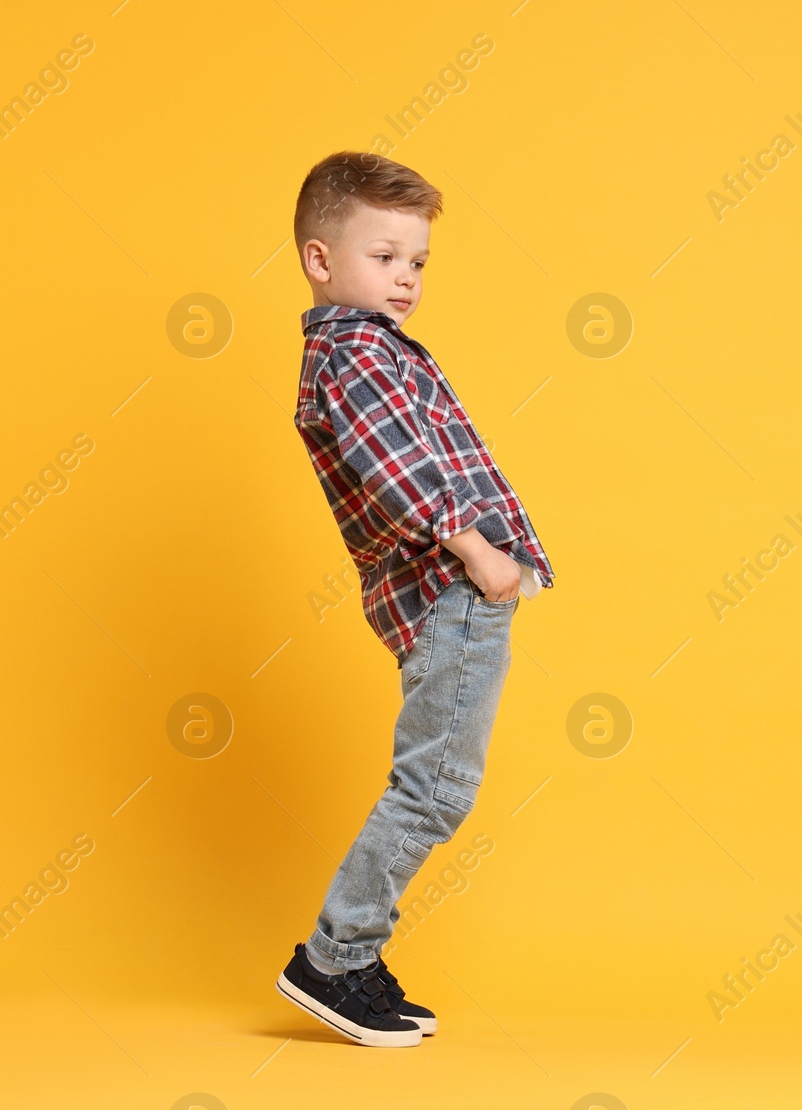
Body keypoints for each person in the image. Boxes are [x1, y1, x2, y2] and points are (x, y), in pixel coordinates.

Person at [274, 151, 553, 1047]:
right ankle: (334, 957)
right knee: (433, 789)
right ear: (321, 259)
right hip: (449, 588)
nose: (405, 278)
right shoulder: (355, 355)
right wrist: (481, 554)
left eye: (417, 263)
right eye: (384, 256)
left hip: (453, 592)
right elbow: (399, 476)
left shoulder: (370, 350)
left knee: (434, 784)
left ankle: (352, 953)